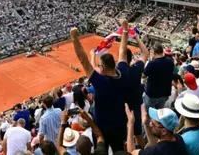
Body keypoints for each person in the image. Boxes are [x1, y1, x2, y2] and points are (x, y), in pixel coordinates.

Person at [70, 25, 129, 153]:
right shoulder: (123, 73)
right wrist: (125, 30)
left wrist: (74, 37)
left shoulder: (101, 83)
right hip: (120, 125)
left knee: (101, 151)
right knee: (119, 151)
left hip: (101, 129)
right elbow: (123, 53)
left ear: (102, 68)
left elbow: (83, 60)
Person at [143, 42, 174, 110]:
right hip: (165, 93)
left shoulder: (152, 63)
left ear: (154, 52)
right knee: (159, 113)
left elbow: (143, 76)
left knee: (147, 113)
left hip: (152, 94)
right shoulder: (170, 62)